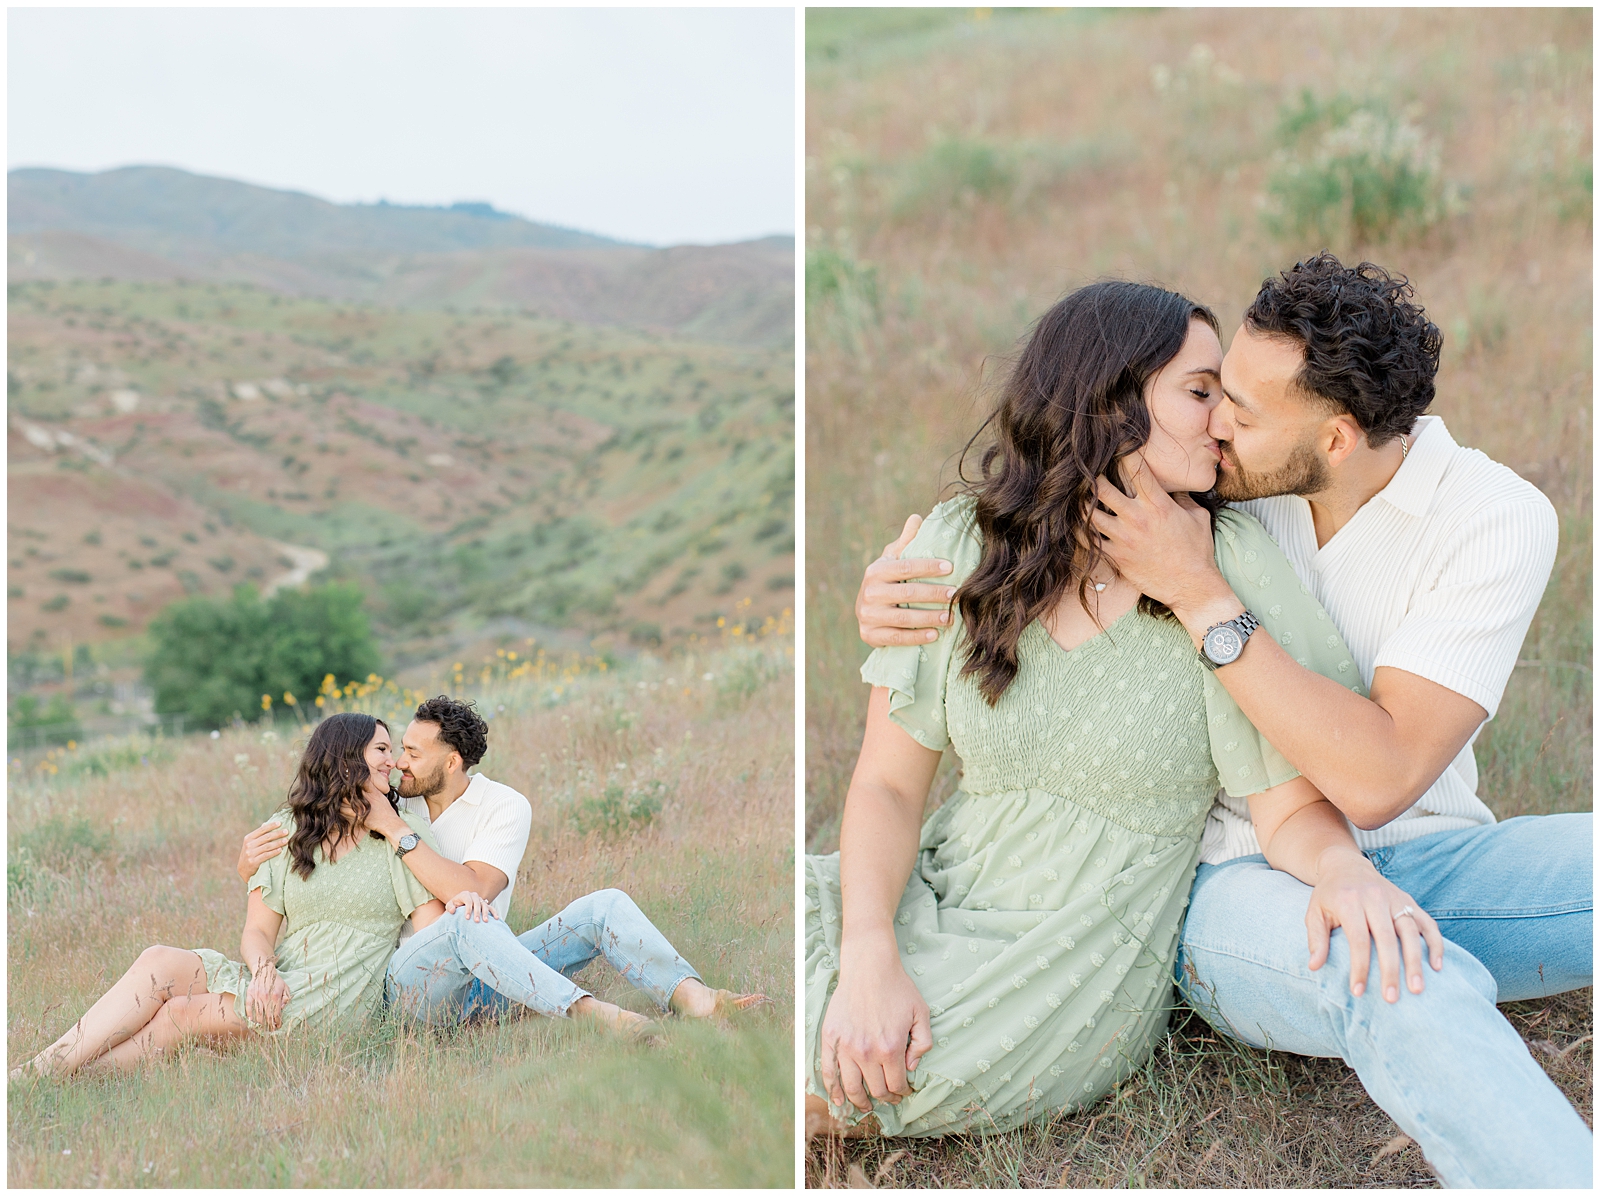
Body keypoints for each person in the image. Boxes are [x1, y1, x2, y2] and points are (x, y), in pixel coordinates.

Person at [851, 256, 1592, 1185]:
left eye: (1239, 409)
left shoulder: (1489, 518)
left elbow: (1378, 779)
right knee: (1402, 979)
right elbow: (1045, 508)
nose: (1218, 425)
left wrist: (1200, 592)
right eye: (1211, 393)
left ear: (1334, 438)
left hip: (1421, 850)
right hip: (1236, 876)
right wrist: (895, 596)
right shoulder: (1220, 494)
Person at [806, 280, 1441, 1140]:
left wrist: (1343, 872)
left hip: (1077, 955)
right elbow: (885, 786)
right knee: (802, 965)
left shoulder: (1225, 565)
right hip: (938, 890)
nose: (1220, 420)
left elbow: (1286, 802)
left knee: (872, 1068)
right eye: (1198, 391)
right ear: (1108, 401)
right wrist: (870, 951)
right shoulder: (962, 541)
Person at [239, 695, 762, 1040]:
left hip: (494, 969)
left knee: (603, 906)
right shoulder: (393, 799)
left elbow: (474, 894)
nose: (398, 761)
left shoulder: (501, 807)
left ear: (452, 763)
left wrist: (397, 833)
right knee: (463, 922)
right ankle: (594, 1016)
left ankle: (697, 1001)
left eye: (413, 753)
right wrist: (247, 866)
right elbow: (319, 859)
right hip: (410, 982)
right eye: (397, 748)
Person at [12, 713, 445, 1077]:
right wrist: (263, 972)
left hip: (340, 995)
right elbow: (257, 930)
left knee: (181, 1014)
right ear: (346, 758)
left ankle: (45, 1080)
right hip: (282, 979)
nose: (395, 762)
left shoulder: (402, 835)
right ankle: (43, 1074)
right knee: (158, 959)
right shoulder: (287, 829)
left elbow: (427, 943)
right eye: (382, 750)